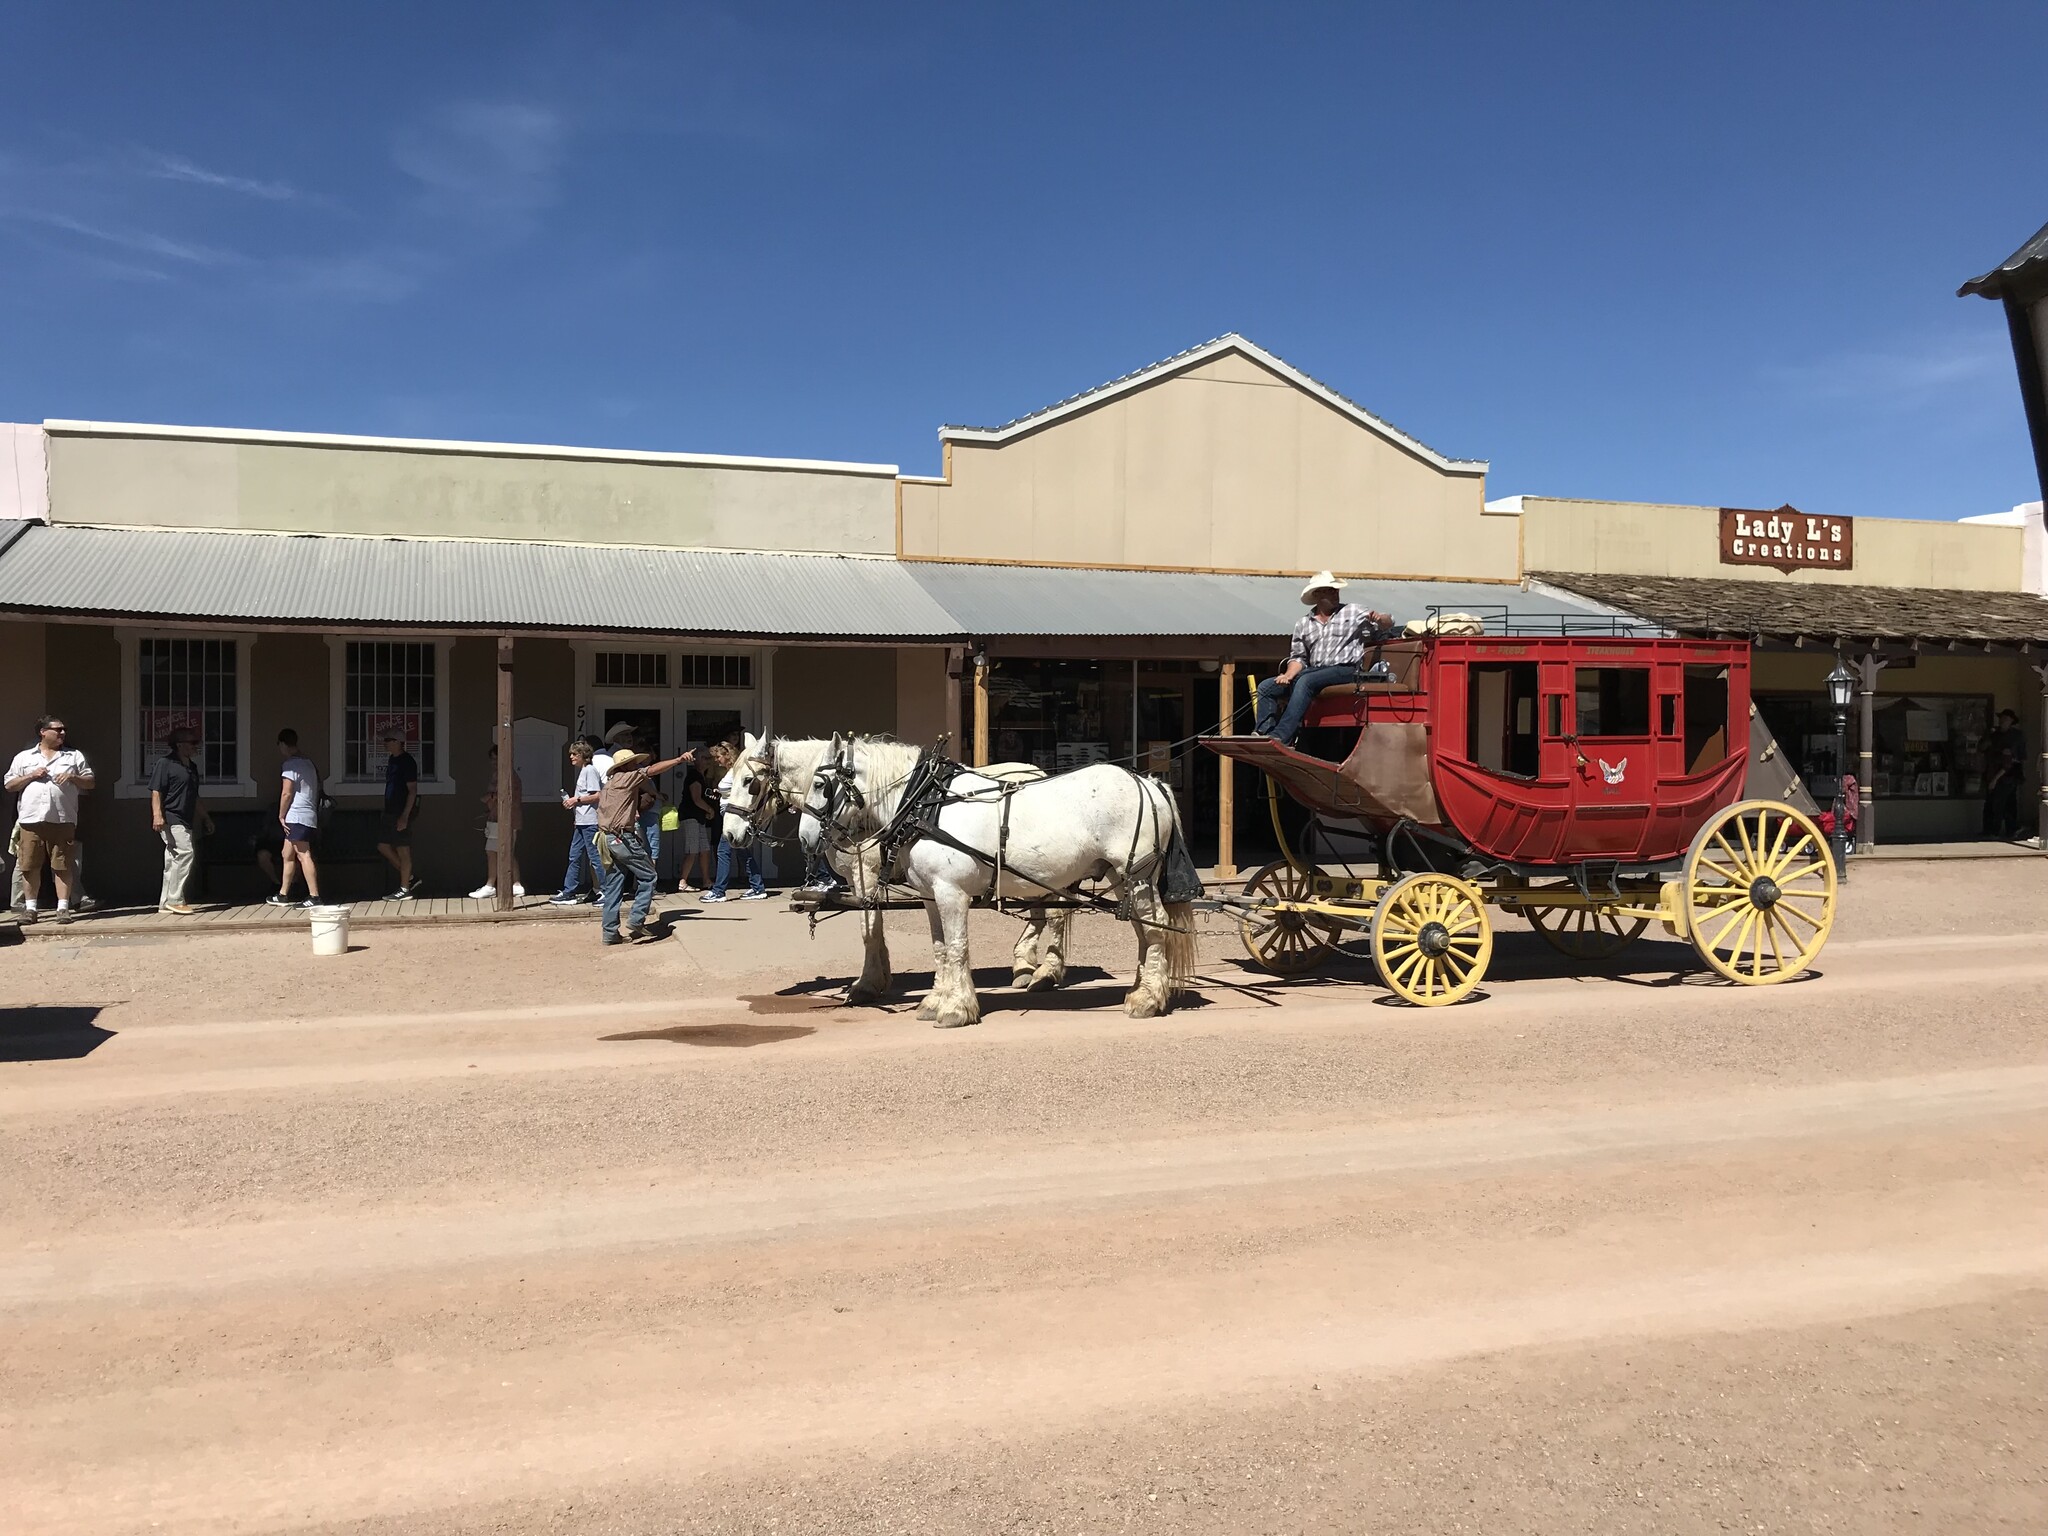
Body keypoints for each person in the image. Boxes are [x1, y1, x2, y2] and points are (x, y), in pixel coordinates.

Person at [1254, 572, 1395, 746]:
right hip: (1316, 672)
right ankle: (1264, 732)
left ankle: (1281, 736)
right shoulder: (1303, 624)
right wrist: (1288, 675)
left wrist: (1380, 619)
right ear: (1317, 595)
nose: (1336, 594)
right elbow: (1298, 658)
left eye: (1336, 590)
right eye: (1330, 590)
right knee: (1266, 687)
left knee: (1305, 680)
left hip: (1347, 669)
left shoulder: (1353, 611)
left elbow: (1389, 622)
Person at [595, 743, 698, 944]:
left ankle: (609, 933)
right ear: (625, 766)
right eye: (633, 763)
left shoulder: (610, 784)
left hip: (606, 839)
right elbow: (652, 770)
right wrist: (679, 760)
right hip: (621, 837)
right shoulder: (627, 778)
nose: (637, 766)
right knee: (649, 876)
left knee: (614, 885)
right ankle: (636, 919)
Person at [5, 714, 94, 923]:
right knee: (29, 866)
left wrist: (73, 777)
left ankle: (63, 908)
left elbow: (90, 782)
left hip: (62, 819)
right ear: (43, 732)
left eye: (64, 729)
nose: (62, 733)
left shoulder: (73, 756)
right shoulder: (24, 758)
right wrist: (31, 775)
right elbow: (9, 785)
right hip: (31, 819)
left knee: (62, 865)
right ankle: (30, 909)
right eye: (57, 729)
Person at [150, 726, 214, 913]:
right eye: (192, 743)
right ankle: (175, 899)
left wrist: (206, 818)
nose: (196, 746)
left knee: (173, 859)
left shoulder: (191, 768)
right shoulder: (165, 763)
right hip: (171, 816)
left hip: (186, 818)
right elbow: (156, 792)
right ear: (179, 745)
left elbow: (194, 797)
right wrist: (157, 815)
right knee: (186, 853)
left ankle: (165, 903)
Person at [702, 753, 770, 904]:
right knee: (742, 852)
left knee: (723, 852)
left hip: (734, 816)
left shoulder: (737, 771)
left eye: (718, 756)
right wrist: (719, 793)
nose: (715, 759)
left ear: (728, 756)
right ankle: (758, 888)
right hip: (728, 814)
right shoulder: (731, 772)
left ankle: (719, 891)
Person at [269, 728, 324, 908]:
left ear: (283, 744)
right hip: (308, 813)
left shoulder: (290, 765)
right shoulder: (309, 763)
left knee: (303, 854)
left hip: (297, 814)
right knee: (287, 853)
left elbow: (287, 793)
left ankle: (314, 896)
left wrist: (281, 815)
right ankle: (283, 894)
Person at [549, 739, 604, 905]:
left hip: (590, 821)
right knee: (574, 856)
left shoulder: (590, 771)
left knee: (594, 857)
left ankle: (607, 891)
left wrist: (576, 800)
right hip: (581, 821)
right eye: (571, 754)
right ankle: (569, 891)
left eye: (574, 754)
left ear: (583, 755)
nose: (571, 757)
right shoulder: (583, 771)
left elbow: (597, 795)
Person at [471, 744, 525, 899]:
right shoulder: (499, 774)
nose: (494, 762)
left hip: (505, 820)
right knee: (500, 852)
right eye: (492, 759)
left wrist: (487, 798)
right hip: (496, 818)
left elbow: (495, 796)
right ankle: (514, 884)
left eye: (497, 759)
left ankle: (492, 885)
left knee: (499, 852)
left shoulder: (506, 775)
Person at [377, 731, 421, 898]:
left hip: (401, 811)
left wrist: (405, 815)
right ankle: (409, 877)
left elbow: (412, 790)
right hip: (390, 810)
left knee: (403, 849)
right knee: (383, 846)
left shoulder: (407, 762)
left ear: (398, 742)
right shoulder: (392, 759)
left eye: (388, 740)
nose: (385, 743)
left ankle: (404, 889)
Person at [675, 742, 724, 893]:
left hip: (699, 817)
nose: (708, 761)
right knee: (692, 850)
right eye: (704, 758)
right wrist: (709, 809)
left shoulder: (702, 776)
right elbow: (696, 799)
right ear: (695, 760)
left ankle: (706, 880)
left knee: (704, 849)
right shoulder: (694, 776)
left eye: (709, 758)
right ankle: (682, 881)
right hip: (691, 816)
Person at [1983, 708, 2026, 840]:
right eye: (2001, 718)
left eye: (2006, 719)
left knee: (1999, 803)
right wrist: (1988, 735)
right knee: (1999, 803)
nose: (2002, 721)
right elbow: (1982, 747)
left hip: (2009, 773)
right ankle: (2011, 828)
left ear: (2011, 721)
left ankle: (1996, 831)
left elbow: (2011, 760)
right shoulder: (1995, 735)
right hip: (1994, 771)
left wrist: (1995, 779)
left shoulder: (2016, 736)